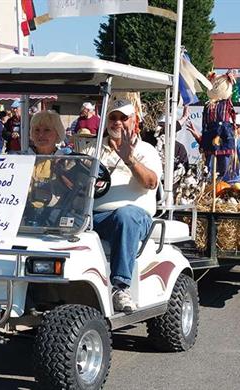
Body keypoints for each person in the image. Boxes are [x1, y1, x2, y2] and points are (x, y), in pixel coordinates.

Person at [93, 99, 162, 312]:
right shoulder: (93, 148)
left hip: (133, 216)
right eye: (113, 118)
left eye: (124, 118)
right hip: (94, 215)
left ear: (134, 121)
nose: (118, 123)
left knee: (126, 216)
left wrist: (130, 160)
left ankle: (120, 287)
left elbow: (151, 182)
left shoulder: (145, 149)